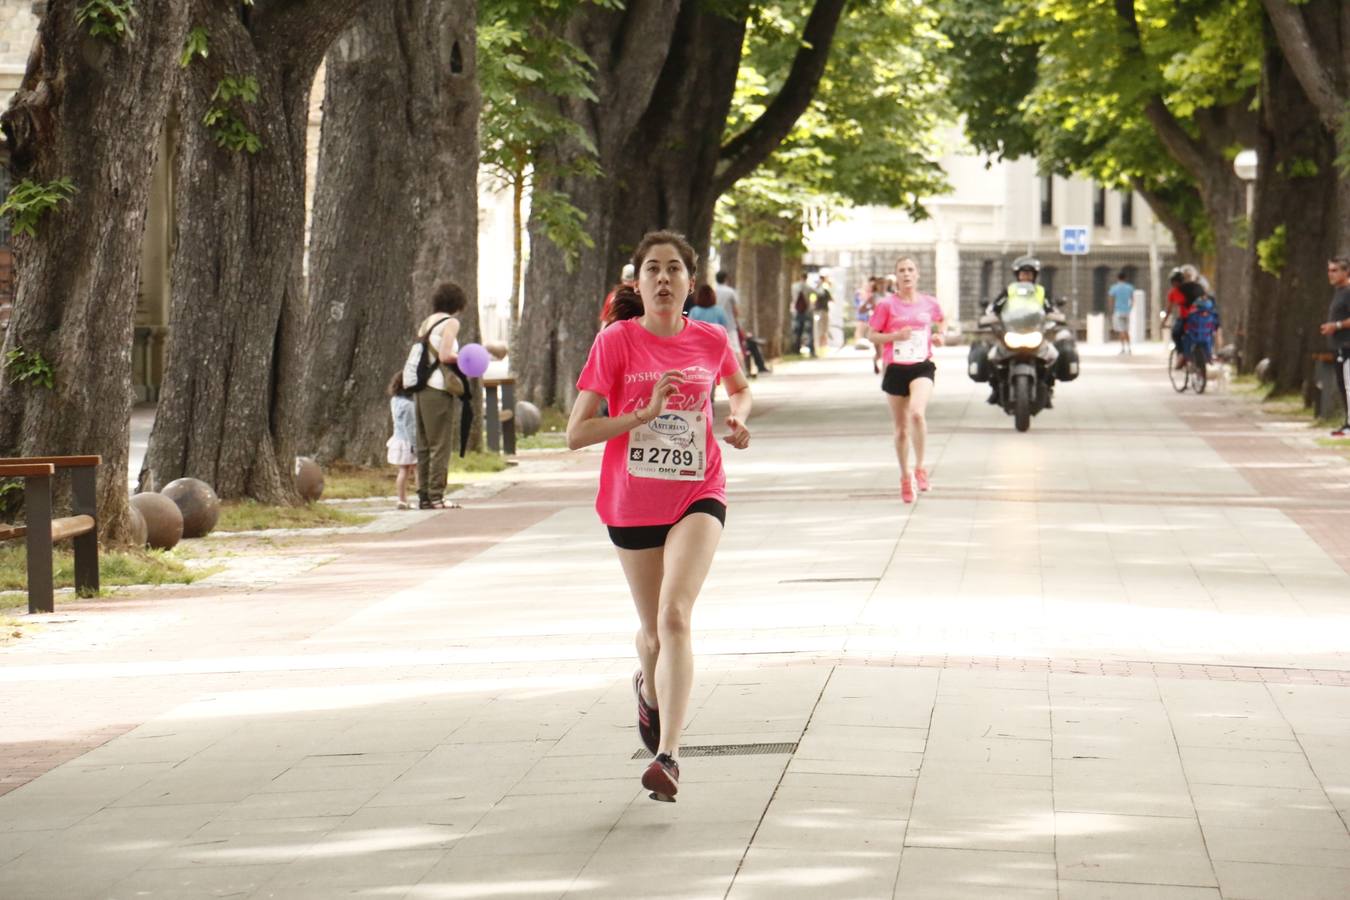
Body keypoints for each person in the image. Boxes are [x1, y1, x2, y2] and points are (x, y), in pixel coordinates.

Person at [567, 230, 751, 803]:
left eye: (674, 269)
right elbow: (576, 433)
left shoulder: (711, 339)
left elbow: (740, 390)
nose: (664, 278)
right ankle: (647, 688)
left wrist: (738, 419)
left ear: (690, 284)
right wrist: (642, 413)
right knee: (650, 635)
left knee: (675, 616)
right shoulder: (616, 343)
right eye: (653, 269)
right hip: (631, 502)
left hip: (697, 492)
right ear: (639, 281)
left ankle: (669, 756)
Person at [869, 257, 943, 503]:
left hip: (922, 366)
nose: (907, 274)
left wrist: (940, 335)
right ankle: (905, 476)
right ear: (896, 276)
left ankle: (921, 467)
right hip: (896, 368)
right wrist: (895, 336)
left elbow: (941, 321)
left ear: (918, 274)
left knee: (917, 414)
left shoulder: (929, 303)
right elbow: (872, 335)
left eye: (911, 270)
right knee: (901, 430)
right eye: (902, 271)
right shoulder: (887, 306)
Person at [414, 282, 467, 510]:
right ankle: (437, 495)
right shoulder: (450, 322)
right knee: (440, 443)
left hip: (420, 386)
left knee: (424, 443)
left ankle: (424, 495)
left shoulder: (427, 322)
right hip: (438, 387)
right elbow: (445, 355)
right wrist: (464, 356)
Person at [1319, 255, 1350, 437]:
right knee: (1342, 385)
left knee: (1348, 385)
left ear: (1346, 272)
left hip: (1348, 346)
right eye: (1329, 270)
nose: (1330, 274)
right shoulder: (1338, 292)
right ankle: (1347, 422)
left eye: (1335, 270)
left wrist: (1336, 326)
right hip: (1339, 346)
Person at [386, 371, 417, 509]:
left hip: (397, 439)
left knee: (403, 471)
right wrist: (415, 444)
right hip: (408, 442)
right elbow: (410, 427)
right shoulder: (409, 405)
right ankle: (423, 497)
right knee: (418, 469)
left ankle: (401, 499)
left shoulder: (395, 400)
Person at [1109, 271, 1135, 355]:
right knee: (1126, 330)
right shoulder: (1129, 287)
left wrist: (1111, 309)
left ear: (1118, 278)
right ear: (1125, 278)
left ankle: (1123, 348)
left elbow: (1111, 299)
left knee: (1121, 330)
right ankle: (1129, 348)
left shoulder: (1114, 287)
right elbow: (1132, 299)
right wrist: (1130, 308)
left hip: (1118, 311)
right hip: (1127, 311)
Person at [790, 275, 816, 357]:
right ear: (806, 278)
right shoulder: (808, 287)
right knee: (809, 332)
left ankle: (796, 349)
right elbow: (816, 293)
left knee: (797, 331)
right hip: (806, 311)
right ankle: (811, 350)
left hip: (797, 311)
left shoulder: (793, 286)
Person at [814, 274, 834, 354]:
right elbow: (831, 299)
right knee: (823, 328)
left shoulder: (817, 290)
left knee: (820, 328)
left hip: (818, 311)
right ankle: (822, 345)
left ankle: (821, 345)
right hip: (823, 311)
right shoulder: (824, 290)